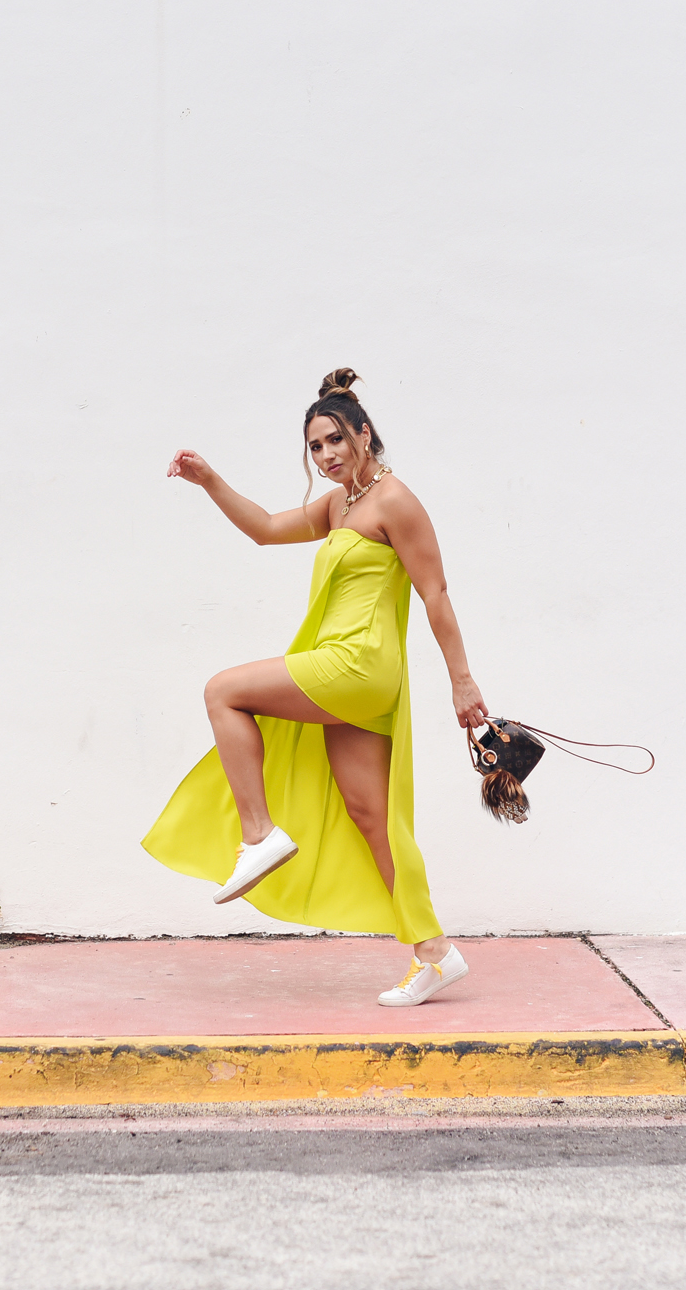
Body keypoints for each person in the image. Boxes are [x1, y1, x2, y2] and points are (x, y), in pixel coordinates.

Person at [143, 368, 488, 1006]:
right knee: (371, 816)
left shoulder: (396, 501)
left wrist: (462, 682)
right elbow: (267, 528)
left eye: (334, 440)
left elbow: (434, 593)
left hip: (358, 665)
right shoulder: (340, 505)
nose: (326, 455)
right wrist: (211, 481)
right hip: (348, 675)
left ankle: (258, 835)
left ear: (364, 434)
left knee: (223, 691)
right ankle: (435, 953)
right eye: (314, 447)